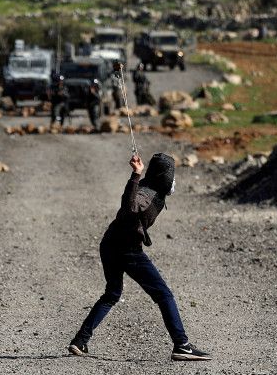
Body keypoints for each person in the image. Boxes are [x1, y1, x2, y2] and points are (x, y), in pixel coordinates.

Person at [68, 153, 211, 361]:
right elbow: (129, 207)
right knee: (164, 295)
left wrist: (138, 173)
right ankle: (181, 345)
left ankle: (80, 340)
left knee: (112, 294)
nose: (174, 180)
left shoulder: (150, 187)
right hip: (127, 250)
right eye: (172, 174)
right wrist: (135, 174)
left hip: (109, 244)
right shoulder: (147, 192)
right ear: (164, 175)